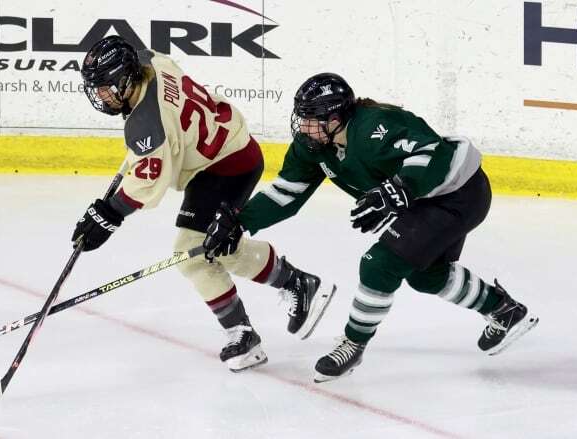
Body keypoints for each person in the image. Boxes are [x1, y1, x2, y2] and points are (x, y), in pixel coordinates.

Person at [202, 72, 539, 382]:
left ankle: (353, 344)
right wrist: (239, 221)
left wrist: (400, 189)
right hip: (421, 203)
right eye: (301, 118)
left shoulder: (375, 127)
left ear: (335, 120)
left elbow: (431, 153)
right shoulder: (314, 145)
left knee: (380, 264)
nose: (303, 127)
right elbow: (288, 192)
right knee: (425, 275)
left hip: (458, 194)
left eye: (310, 120)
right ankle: (504, 310)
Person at [71, 36, 336, 372]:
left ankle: (257, 320)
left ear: (126, 77)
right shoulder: (151, 62)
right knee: (208, 250)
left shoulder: (150, 125)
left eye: (107, 87)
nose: (102, 95)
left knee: (194, 254)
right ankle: (288, 289)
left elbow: (147, 183)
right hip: (220, 155)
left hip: (229, 166)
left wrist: (108, 214)